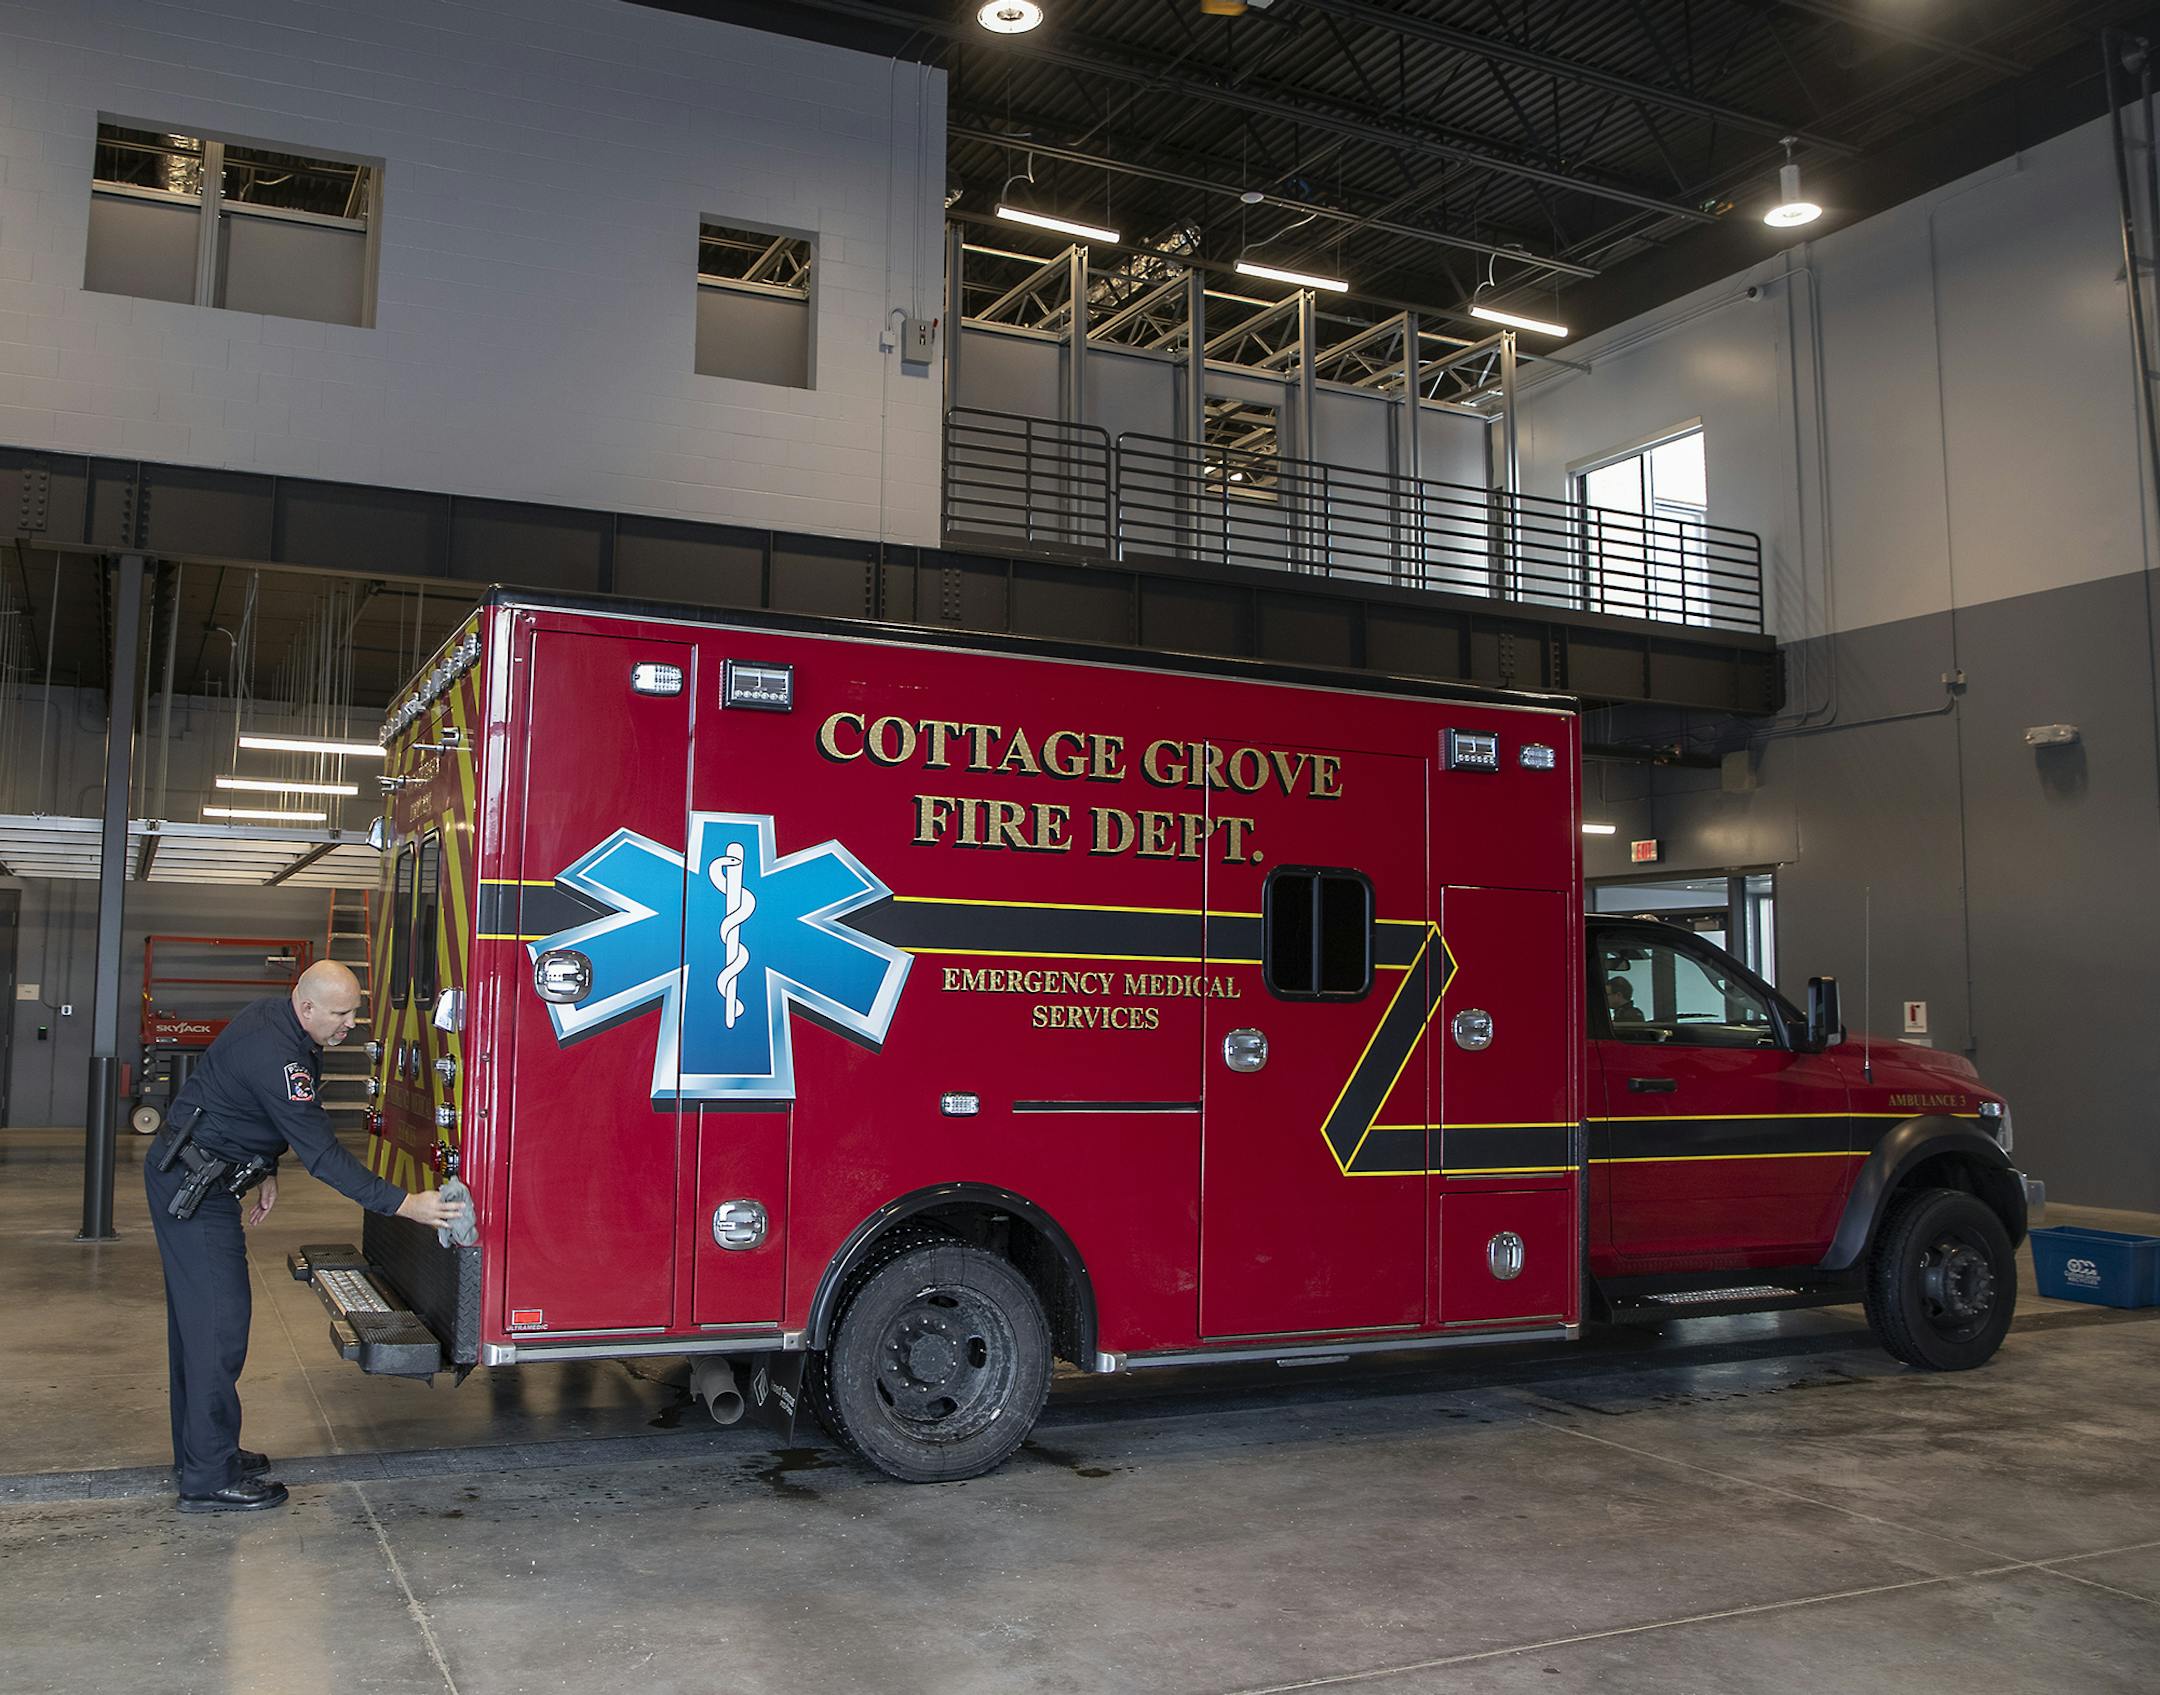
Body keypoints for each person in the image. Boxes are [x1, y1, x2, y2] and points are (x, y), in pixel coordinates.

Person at [144, 959, 464, 1513]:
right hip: (194, 1192)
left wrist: (262, 1164)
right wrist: (406, 1204)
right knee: (218, 1330)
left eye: (354, 1012)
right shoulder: (280, 1054)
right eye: (340, 1014)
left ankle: (204, 1452)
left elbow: (233, 1100)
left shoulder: (276, 1018)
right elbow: (322, 1154)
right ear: (307, 1005)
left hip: (207, 1172)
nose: (349, 1026)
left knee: (199, 1328)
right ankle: (206, 1478)